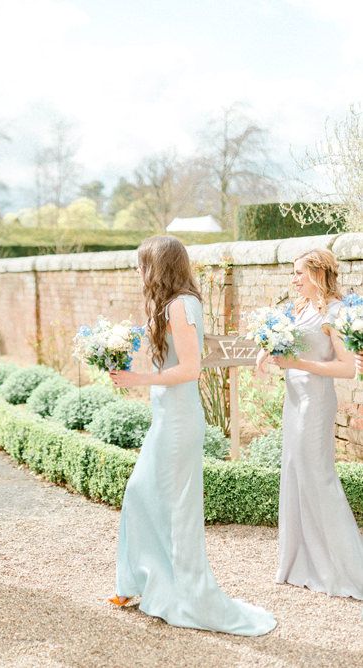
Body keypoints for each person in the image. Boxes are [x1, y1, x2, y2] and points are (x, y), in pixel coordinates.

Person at [107, 235, 276, 635]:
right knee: (143, 494)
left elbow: (191, 369)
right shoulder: (169, 304)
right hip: (166, 416)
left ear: (159, 266)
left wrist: (138, 378)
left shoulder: (182, 305)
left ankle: (182, 593)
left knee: (175, 507)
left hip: (180, 420)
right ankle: (143, 581)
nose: (137, 270)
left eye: (141, 263)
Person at [257, 249, 363, 599]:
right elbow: (283, 341)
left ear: (318, 273)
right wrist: (266, 351)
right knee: (294, 471)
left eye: (299, 273)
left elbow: (348, 368)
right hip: (294, 400)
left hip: (316, 402)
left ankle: (345, 567)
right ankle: (300, 562)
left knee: (317, 476)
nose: (294, 279)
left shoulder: (336, 312)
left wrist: (298, 362)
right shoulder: (300, 308)